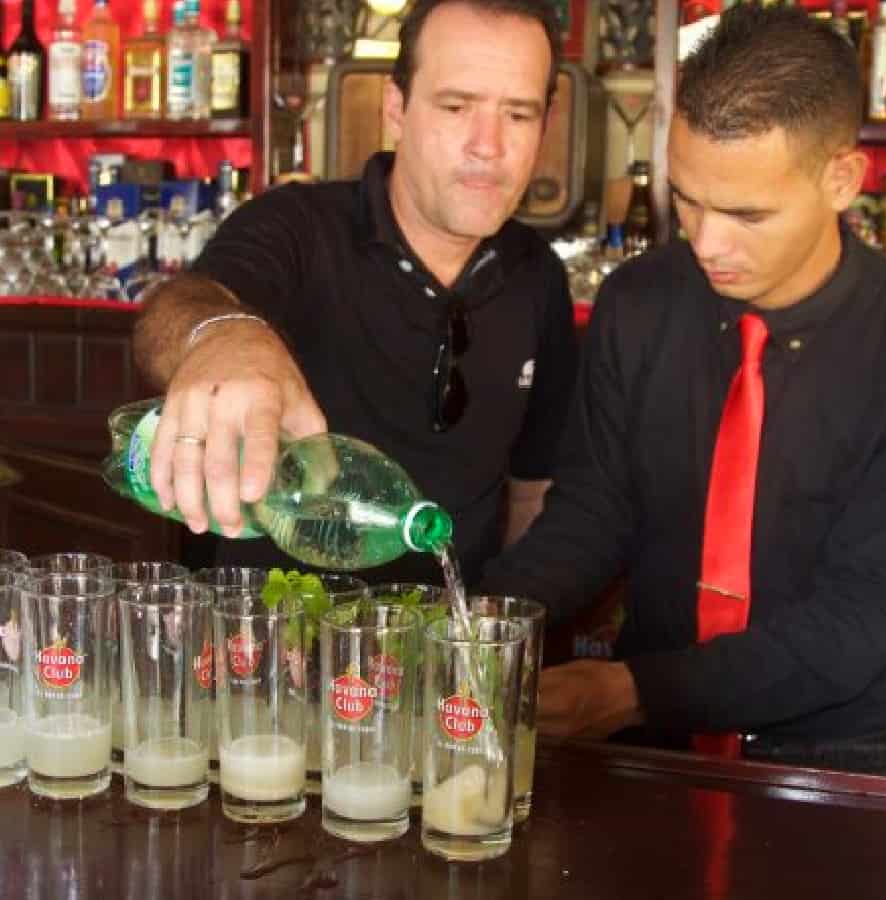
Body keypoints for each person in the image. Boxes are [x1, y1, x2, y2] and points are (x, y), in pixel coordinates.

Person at [482, 4, 886, 774]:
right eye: (687, 197)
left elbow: (864, 611)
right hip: (648, 746)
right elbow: (594, 510)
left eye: (747, 214)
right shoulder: (641, 301)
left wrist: (634, 691)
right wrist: (482, 622)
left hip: (834, 755)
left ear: (841, 180)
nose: (705, 242)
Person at [133, 0, 578, 584]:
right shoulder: (296, 227)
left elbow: (532, 491)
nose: (487, 145)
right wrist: (227, 339)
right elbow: (170, 314)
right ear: (397, 108)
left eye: (517, 115)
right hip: (278, 646)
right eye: (455, 106)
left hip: (447, 658)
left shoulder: (537, 275)